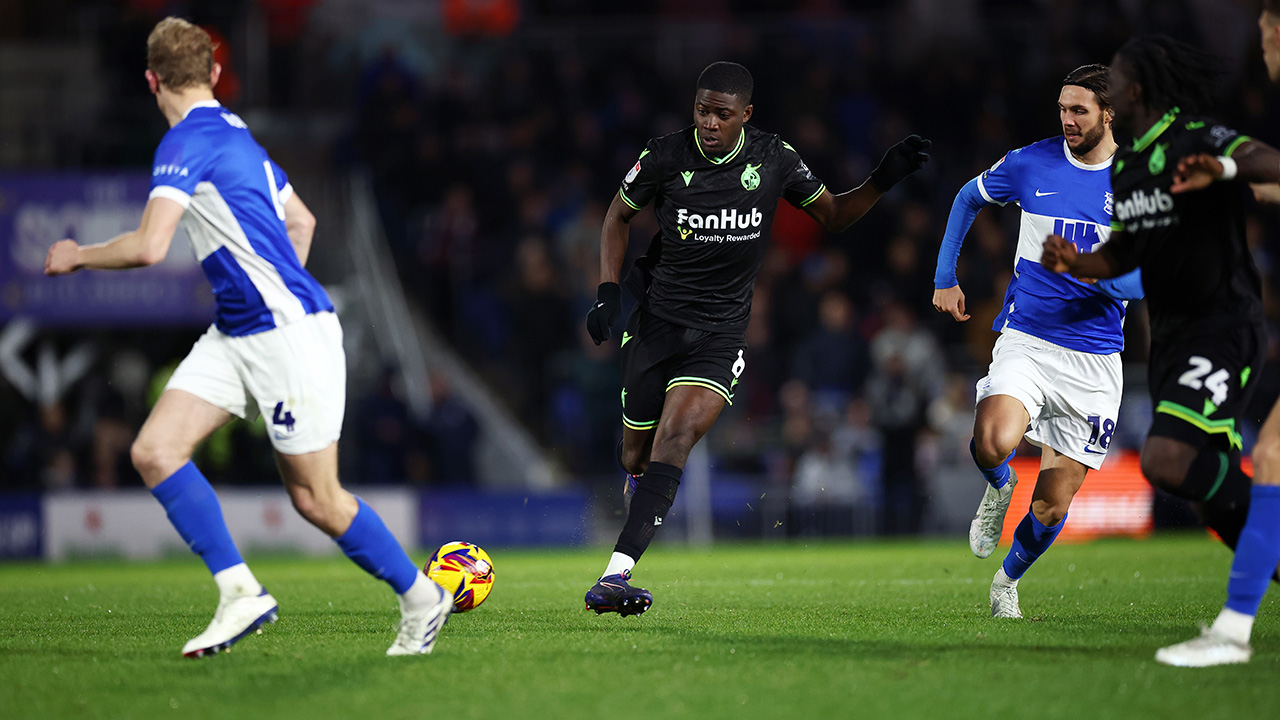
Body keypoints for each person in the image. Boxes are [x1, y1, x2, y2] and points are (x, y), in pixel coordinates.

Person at [43, 17, 451, 658]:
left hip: (285, 336)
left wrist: (79, 255)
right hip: (240, 331)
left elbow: (151, 247)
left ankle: (423, 598)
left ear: (151, 80)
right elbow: (303, 221)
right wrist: (273, 287)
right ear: (211, 73)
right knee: (154, 450)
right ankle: (241, 593)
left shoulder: (185, 142)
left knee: (317, 500)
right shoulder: (235, 132)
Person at [582, 61, 930, 615]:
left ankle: (614, 576)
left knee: (677, 437)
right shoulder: (665, 156)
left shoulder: (775, 158)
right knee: (634, 453)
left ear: (747, 114)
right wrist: (606, 292)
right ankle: (640, 481)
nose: (710, 123)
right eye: (702, 111)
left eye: (723, 114)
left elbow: (835, 215)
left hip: (722, 333)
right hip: (655, 324)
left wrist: (883, 178)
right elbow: (615, 218)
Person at [1040, 34, 1280, 666]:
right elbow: (1124, 253)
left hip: (1222, 326)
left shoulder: (1195, 137)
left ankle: (1236, 622)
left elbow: (1270, 161)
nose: (1106, 89)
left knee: (1168, 459)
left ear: (1137, 89)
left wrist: (1223, 169)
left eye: (1113, 79)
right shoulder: (1129, 165)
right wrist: (1078, 261)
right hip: (1169, 336)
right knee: (1203, 492)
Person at [932, 65, 1143, 618]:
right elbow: (965, 198)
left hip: (1095, 359)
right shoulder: (1031, 162)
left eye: (1080, 111)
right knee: (991, 442)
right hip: (1028, 338)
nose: (1068, 120)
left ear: (1109, 113)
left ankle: (1007, 582)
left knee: (1052, 505)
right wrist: (944, 278)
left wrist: (1093, 272)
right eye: (1062, 109)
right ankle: (998, 489)